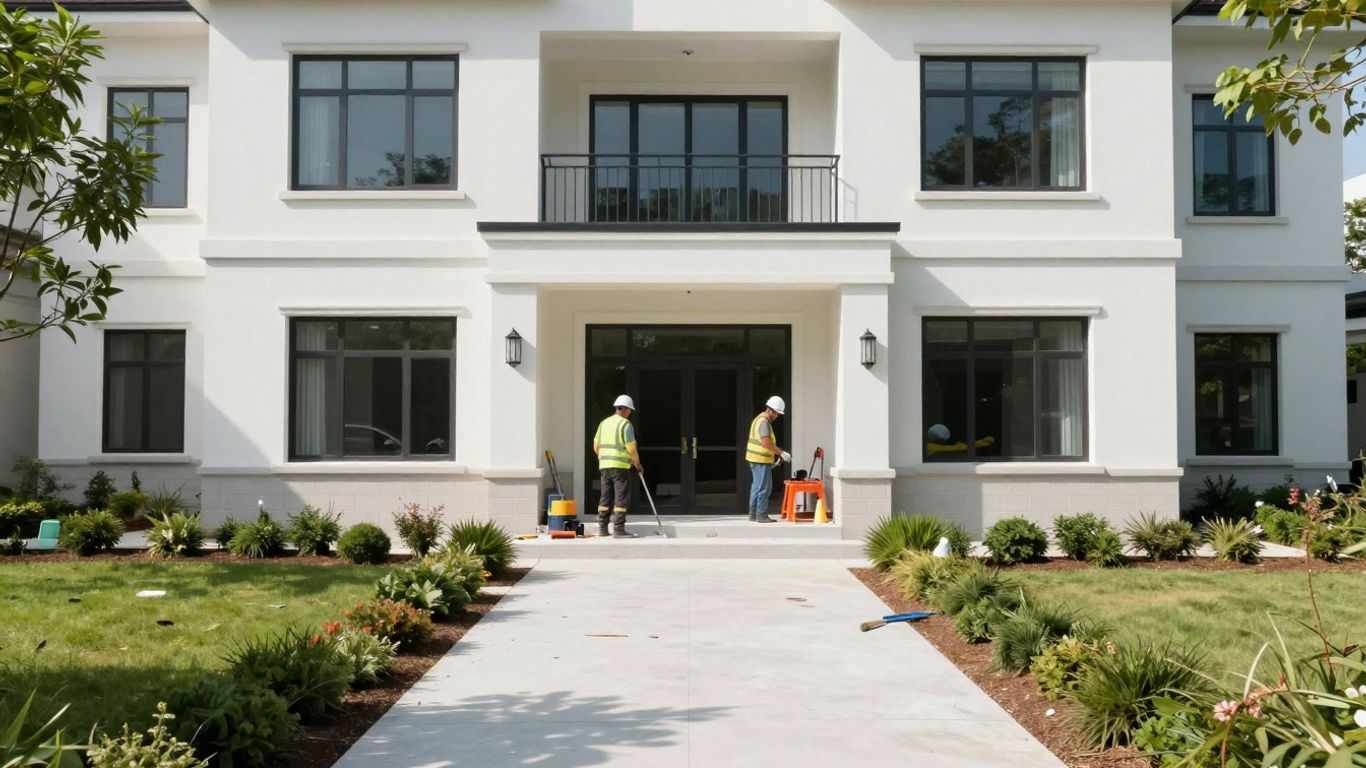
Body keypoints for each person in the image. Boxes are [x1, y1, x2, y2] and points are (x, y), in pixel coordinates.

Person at [593, 394, 643, 538]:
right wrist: (638, 464)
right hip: (620, 467)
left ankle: (602, 528)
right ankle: (619, 529)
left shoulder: (604, 423)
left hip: (604, 466)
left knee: (605, 497)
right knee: (621, 497)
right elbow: (631, 449)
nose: (630, 413)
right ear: (626, 409)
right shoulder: (625, 425)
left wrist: (603, 458)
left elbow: (595, 445)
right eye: (630, 410)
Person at [745, 395, 792, 523]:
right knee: (764, 487)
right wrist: (781, 453)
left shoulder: (758, 419)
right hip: (761, 460)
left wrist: (776, 454)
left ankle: (753, 514)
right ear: (770, 410)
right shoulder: (764, 422)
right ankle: (761, 514)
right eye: (777, 413)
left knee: (756, 487)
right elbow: (766, 442)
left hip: (755, 459)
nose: (777, 416)